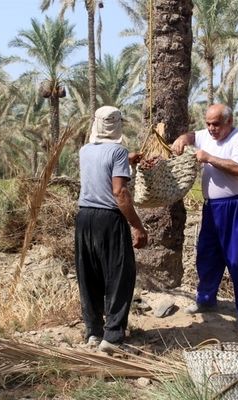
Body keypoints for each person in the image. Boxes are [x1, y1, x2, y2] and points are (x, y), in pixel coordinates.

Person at [171, 103, 238, 329]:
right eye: (208, 124)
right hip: (212, 207)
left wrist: (209, 158)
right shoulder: (206, 135)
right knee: (207, 254)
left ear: (229, 122)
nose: (211, 129)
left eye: (216, 124)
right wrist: (183, 139)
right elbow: (193, 135)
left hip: (237, 205)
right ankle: (206, 300)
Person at [75, 105, 148, 353]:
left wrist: (127, 160)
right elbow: (119, 192)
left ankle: (93, 333)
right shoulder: (118, 151)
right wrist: (138, 227)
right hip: (109, 219)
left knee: (90, 276)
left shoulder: (85, 151)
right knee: (120, 277)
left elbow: (101, 166)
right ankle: (113, 337)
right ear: (118, 125)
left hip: (84, 217)